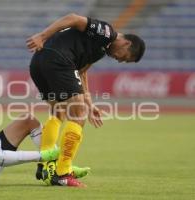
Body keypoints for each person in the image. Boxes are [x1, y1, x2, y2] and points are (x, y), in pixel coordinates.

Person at [27, 13, 145, 187]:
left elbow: (81, 72)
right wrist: (42, 36)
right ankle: (62, 173)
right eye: (125, 57)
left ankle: (46, 164)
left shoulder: (101, 48)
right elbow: (73, 18)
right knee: (78, 116)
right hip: (59, 59)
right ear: (127, 43)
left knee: (58, 112)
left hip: (39, 62)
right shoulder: (107, 33)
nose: (120, 60)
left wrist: (90, 105)